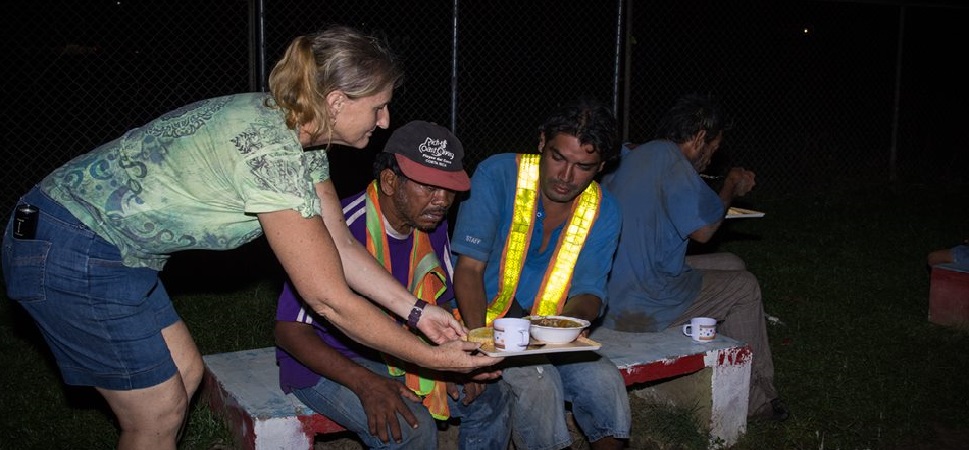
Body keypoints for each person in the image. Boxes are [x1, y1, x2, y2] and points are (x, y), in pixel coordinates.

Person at [0, 26, 500, 450]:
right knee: (155, 411)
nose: (385, 120)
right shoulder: (271, 153)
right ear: (336, 101)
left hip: (117, 253)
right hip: (71, 243)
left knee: (185, 377)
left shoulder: (299, 139)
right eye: (379, 107)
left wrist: (418, 311)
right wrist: (433, 359)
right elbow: (328, 299)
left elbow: (341, 248)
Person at [275, 120, 512, 449]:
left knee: (492, 398)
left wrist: (452, 359)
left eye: (449, 188)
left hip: (399, 353)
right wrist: (365, 382)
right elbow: (289, 332)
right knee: (412, 428)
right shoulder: (340, 227)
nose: (442, 200)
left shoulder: (430, 225)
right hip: (329, 361)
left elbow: (439, 301)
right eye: (429, 186)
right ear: (389, 181)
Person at [450, 98, 631, 450]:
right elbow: (469, 270)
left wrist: (563, 329)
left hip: (552, 332)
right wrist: (480, 344)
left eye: (583, 166)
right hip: (483, 324)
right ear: (541, 142)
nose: (565, 177)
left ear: (601, 166)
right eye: (558, 157)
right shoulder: (497, 175)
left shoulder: (604, 210)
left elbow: (590, 293)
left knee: (605, 381)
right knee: (540, 381)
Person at [600, 93, 789, 421]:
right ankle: (757, 401)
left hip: (610, 289)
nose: (710, 160)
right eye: (713, 150)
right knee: (744, 287)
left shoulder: (634, 152)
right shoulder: (672, 160)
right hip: (639, 304)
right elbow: (704, 231)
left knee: (731, 264)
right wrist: (729, 186)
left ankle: (703, 338)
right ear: (701, 137)